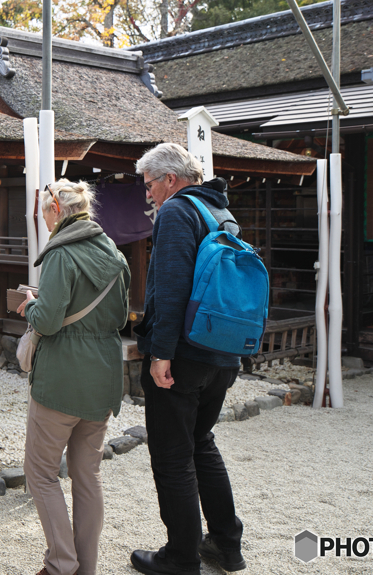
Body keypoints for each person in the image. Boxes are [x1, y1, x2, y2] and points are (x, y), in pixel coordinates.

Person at [129, 143, 247, 575]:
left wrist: (160, 353)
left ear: (170, 179)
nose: (149, 195)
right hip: (221, 351)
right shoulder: (220, 212)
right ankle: (226, 545)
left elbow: (172, 287)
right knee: (201, 443)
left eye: (149, 185)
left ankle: (181, 557)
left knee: (173, 455)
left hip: (183, 354)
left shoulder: (178, 212)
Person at [16, 179, 130, 575]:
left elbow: (47, 322)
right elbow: (118, 318)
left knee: (42, 474)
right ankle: (86, 567)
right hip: (102, 375)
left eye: (42, 209)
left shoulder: (61, 255)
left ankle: (61, 563)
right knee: (87, 474)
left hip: (62, 378)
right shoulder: (114, 252)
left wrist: (32, 306)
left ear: (54, 211)